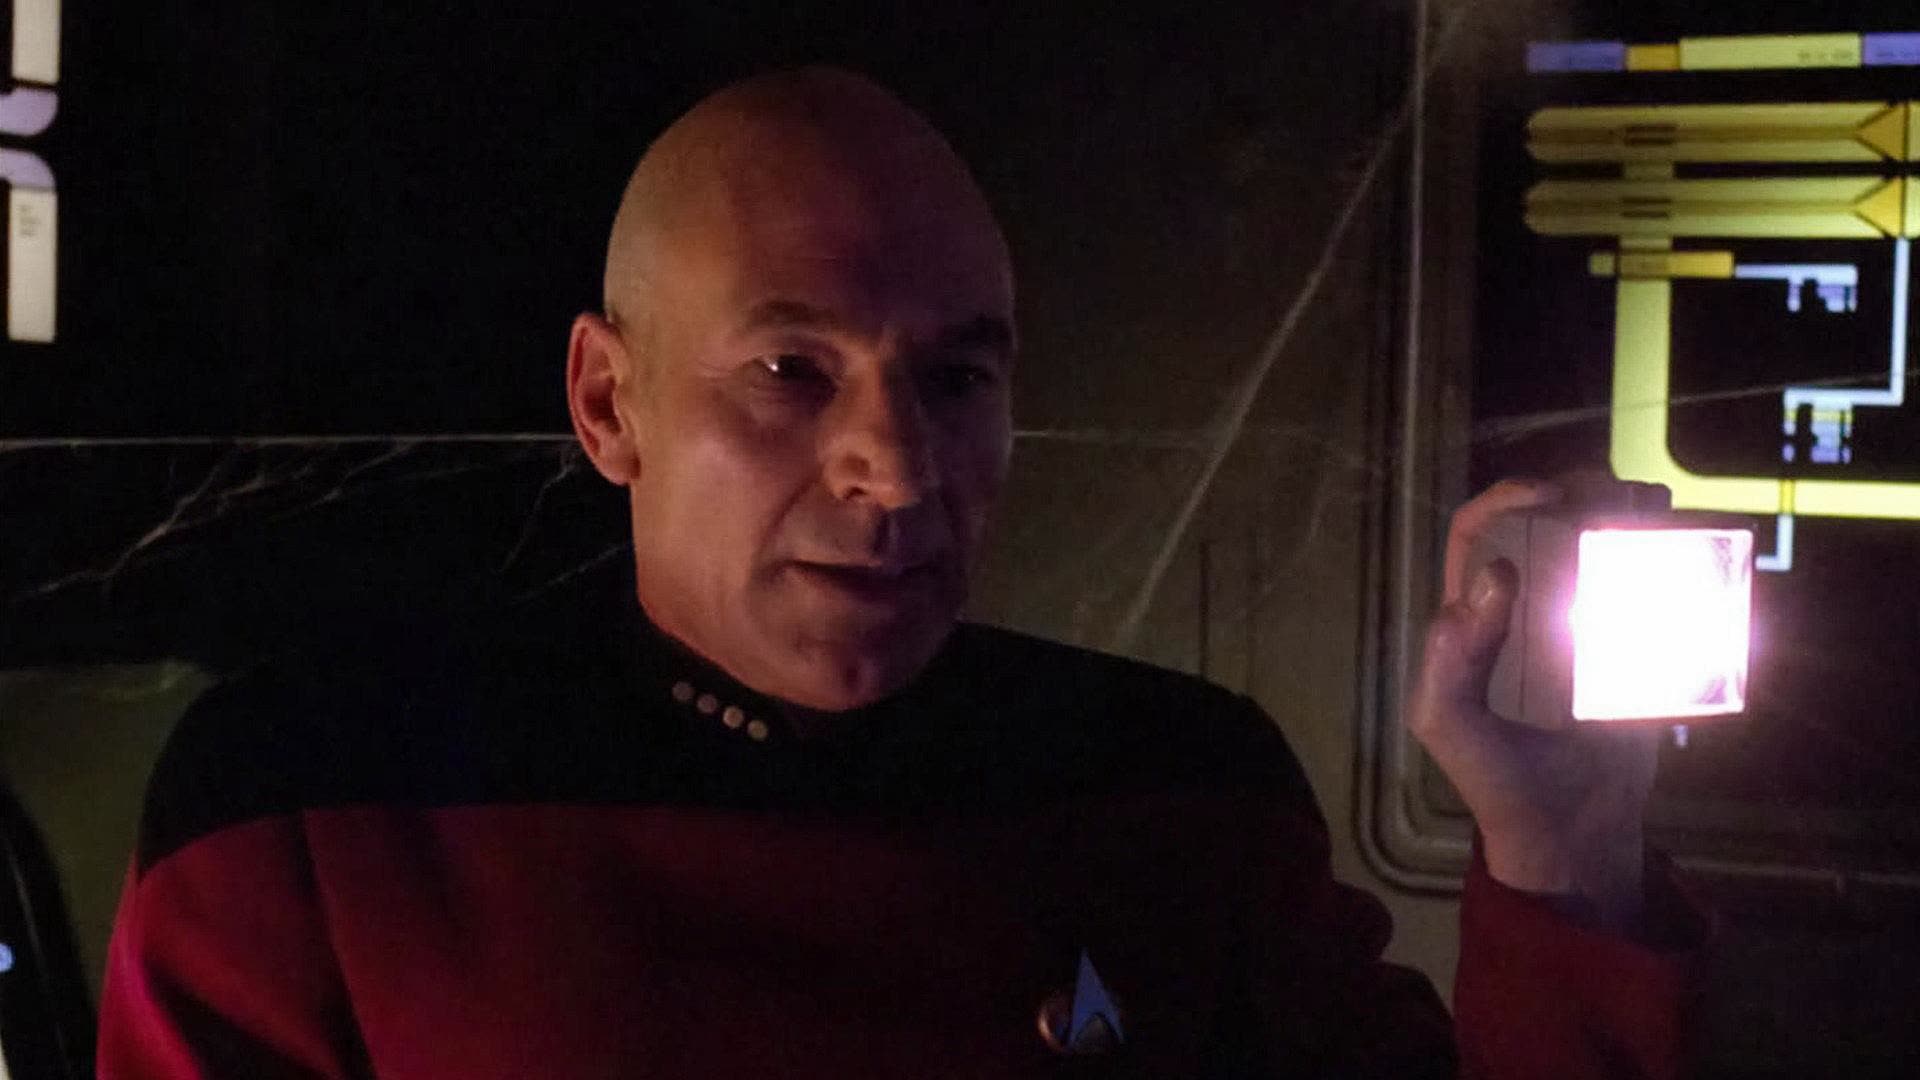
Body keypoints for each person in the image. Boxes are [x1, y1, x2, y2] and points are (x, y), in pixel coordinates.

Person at [98, 67, 1701, 1078]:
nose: (900, 467)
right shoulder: (307, 807)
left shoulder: (1186, 793)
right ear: (608, 404)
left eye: (955, 379)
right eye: (790, 373)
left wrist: (1560, 850)